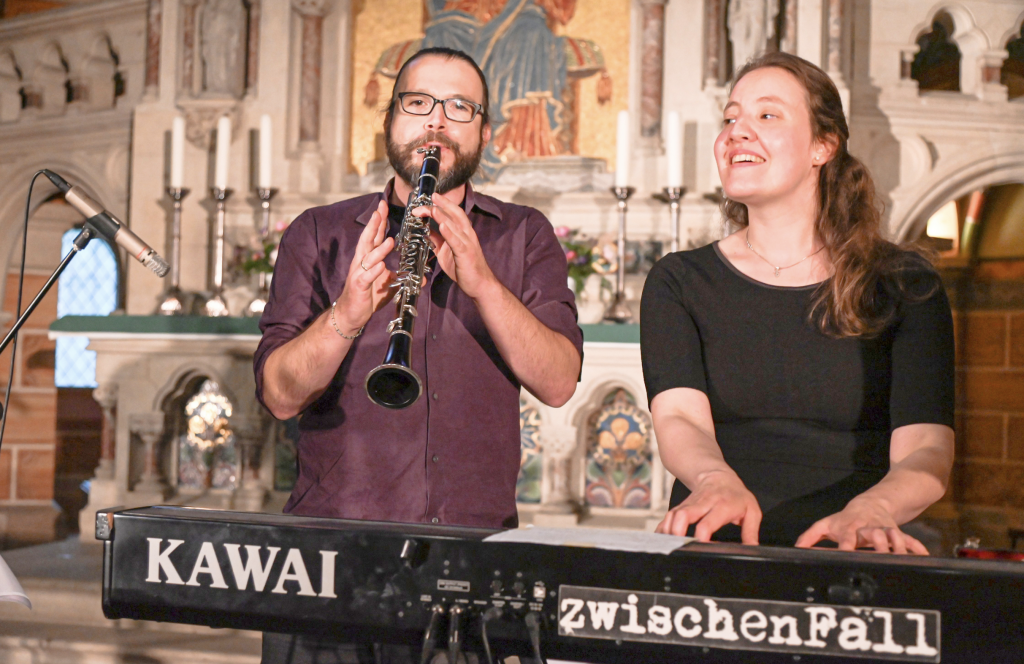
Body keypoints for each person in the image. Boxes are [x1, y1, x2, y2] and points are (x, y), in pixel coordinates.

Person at [255, 47, 583, 662]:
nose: (437, 122)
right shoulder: (320, 233)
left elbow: (560, 381)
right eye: (418, 103)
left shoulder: (523, 234)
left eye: (460, 107)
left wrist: (483, 283)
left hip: (471, 561)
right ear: (390, 120)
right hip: (329, 558)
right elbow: (279, 395)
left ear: (486, 131)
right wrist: (349, 314)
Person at [640, 51, 954, 554]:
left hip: (855, 546)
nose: (737, 131)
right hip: (717, 544)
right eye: (730, 117)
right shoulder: (679, 281)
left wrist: (876, 508)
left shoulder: (904, 282)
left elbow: (927, 448)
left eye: (767, 115)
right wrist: (714, 480)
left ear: (823, 145)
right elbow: (680, 419)